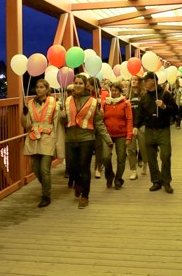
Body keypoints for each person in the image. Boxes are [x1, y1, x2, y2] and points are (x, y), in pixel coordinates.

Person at [57, 73, 112, 209]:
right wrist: (61, 116)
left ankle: (85, 196)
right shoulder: (67, 100)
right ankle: (78, 183)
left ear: (85, 85)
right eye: (76, 83)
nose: (78, 86)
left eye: (81, 83)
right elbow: (64, 121)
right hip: (70, 138)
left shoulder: (93, 102)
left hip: (87, 138)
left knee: (84, 167)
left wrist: (107, 139)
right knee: (70, 167)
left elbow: (98, 123)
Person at [134, 72, 178, 194]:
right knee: (151, 158)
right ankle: (156, 181)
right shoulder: (144, 97)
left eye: (145, 81)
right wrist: (136, 126)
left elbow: (175, 110)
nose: (143, 83)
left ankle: (166, 181)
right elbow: (139, 113)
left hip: (163, 130)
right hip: (149, 130)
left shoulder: (165, 95)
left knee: (165, 155)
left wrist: (164, 107)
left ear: (152, 81)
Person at [21, 78, 59, 208]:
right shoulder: (30, 104)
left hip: (48, 137)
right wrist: (23, 113)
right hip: (33, 138)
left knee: (44, 169)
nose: (39, 89)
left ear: (47, 89)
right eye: (37, 87)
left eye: (42, 87)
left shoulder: (54, 103)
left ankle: (46, 195)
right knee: (35, 169)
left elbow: (57, 122)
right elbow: (26, 125)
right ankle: (46, 187)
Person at [100, 81, 134, 189]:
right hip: (108, 134)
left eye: (116, 90)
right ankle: (109, 175)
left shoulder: (125, 103)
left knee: (121, 158)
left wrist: (129, 136)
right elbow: (101, 120)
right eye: (112, 90)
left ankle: (118, 179)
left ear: (120, 91)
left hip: (121, 134)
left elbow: (129, 120)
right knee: (105, 157)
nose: (114, 92)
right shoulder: (105, 103)